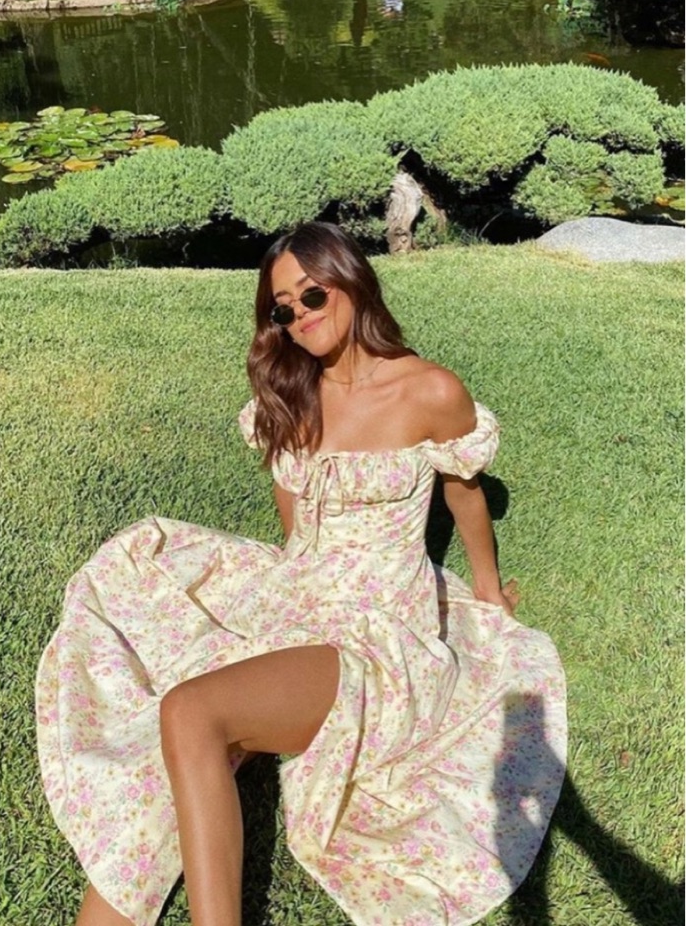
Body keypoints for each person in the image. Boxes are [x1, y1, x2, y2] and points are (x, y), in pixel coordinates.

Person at [36, 221, 567, 926]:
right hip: (298, 597)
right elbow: (296, 529)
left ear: (351, 280)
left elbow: (464, 493)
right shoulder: (291, 393)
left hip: (379, 634)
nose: (300, 316)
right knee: (165, 759)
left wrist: (489, 588)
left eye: (312, 295)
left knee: (191, 712)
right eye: (282, 308)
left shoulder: (430, 391)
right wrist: (285, 600)